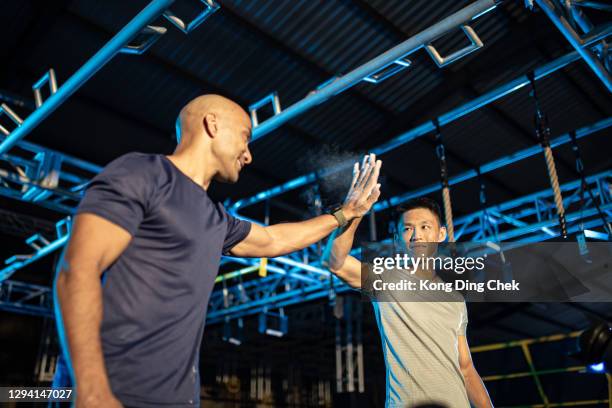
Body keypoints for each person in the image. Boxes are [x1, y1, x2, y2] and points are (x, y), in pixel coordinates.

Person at [54, 94, 382, 408]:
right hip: (111, 391)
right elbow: (77, 270)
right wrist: (92, 390)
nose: (249, 154)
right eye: (245, 137)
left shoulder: (214, 217)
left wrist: (344, 214)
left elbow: (273, 240)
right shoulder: (144, 173)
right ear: (212, 124)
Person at [328, 197, 493, 408]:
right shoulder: (384, 279)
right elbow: (336, 263)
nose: (417, 236)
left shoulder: (455, 299)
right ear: (397, 239)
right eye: (407, 229)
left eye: (425, 226)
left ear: (441, 234)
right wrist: (353, 213)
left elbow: (467, 368)